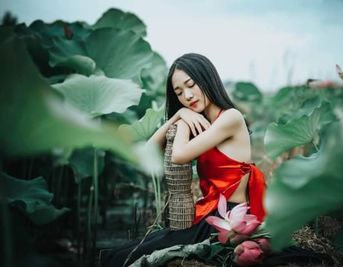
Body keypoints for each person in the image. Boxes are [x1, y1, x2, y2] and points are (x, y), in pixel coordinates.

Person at [101, 53, 267, 267]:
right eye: (179, 93)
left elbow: (178, 156)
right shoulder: (202, 122)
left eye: (191, 85)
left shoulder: (230, 118)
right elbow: (149, 151)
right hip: (210, 213)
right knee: (123, 250)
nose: (187, 96)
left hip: (228, 220)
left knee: (129, 255)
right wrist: (178, 116)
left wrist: (182, 120)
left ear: (208, 79)